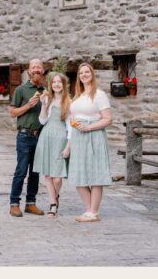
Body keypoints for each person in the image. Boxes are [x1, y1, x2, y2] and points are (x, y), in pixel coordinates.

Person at [62, 62, 113, 222]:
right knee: (78, 175)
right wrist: (69, 143)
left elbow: (108, 119)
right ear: (78, 76)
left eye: (87, 72)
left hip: (94, 136)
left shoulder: (100, 95)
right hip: (78, 138)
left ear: (92, 75)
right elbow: (72, 119)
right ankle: (89, 209)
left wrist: (90, 128)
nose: (84, 75)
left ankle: (93, 212)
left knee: (95, 174)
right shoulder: (78, 96)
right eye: (81, 73)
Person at [7, 59, 47, 217]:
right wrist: (28, 105)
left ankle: (31, 203)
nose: (36, 69)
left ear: (43, 71)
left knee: (35, 172)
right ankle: (14, 203)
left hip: (40, 136)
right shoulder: (21, 90)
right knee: (21, 171)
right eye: (33, 67)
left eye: (39, 67)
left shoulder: (46, 91)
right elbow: (12, 113)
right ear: (29, 71)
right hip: (24, 135)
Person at [32, 72, 72, 218]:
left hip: (60, 138)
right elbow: (42, 121)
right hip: (46, 136)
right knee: (48, 174)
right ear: (51, 84)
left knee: (57, 177)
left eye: (59, 82)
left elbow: (71, 126)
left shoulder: (69, 102)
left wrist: (68, 146)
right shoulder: (48, 99)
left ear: (64, 84)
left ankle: (56, 195)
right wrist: (43, 105)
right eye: (54, 82)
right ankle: (53, 204)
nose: (56, 84)